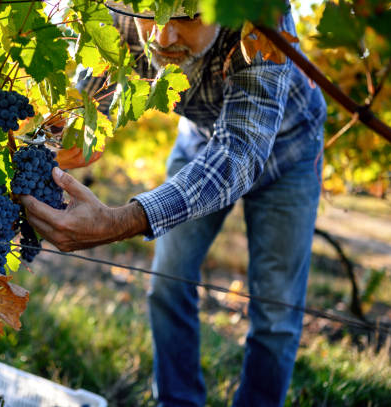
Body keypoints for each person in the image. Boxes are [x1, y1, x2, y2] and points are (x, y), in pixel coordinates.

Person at [19, 2, 327, 406]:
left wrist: (122, 219)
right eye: (151, 15)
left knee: (276, 313)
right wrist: (49, 140)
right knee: (168, 283)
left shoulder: (260, 18)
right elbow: (89, 96)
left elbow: (240, 153)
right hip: (201, 141)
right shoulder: (124, 16)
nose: (161, 38)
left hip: (290, 154)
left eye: (186, 18)